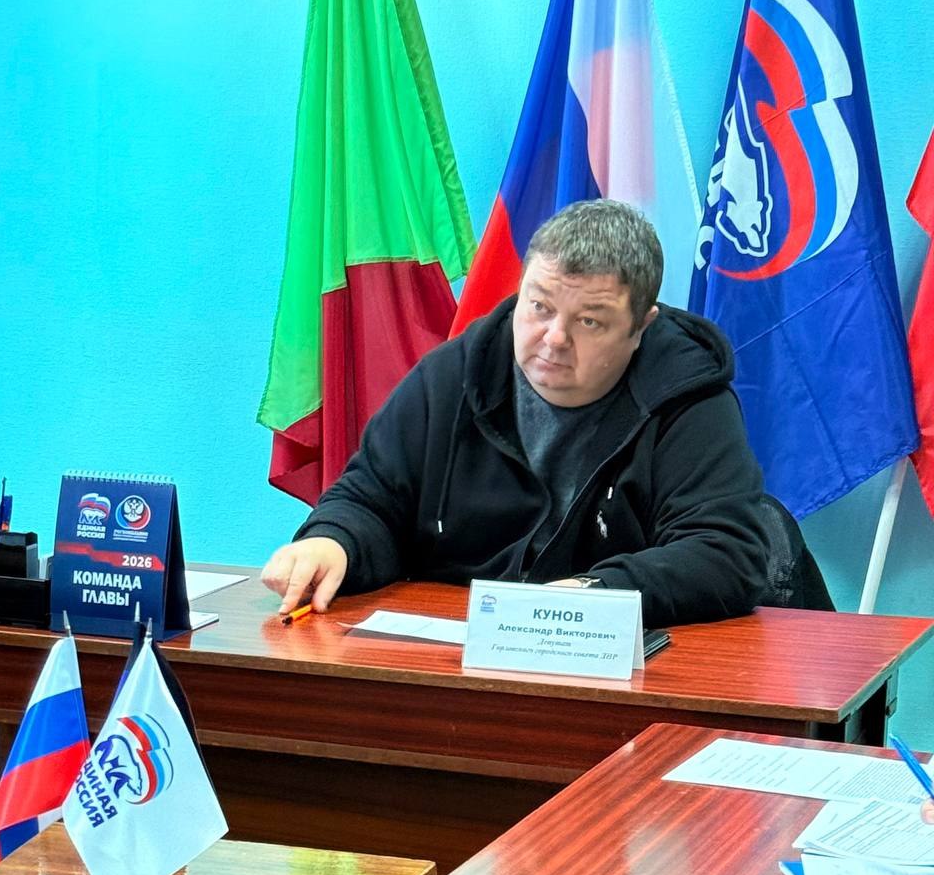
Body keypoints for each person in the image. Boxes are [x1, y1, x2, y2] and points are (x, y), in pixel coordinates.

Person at [261, 199, 769, 630]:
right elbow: (371, 499)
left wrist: (590, 594)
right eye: (540, 307)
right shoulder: (456, 374)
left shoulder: (686, 397)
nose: (555, 339)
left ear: (641, 327)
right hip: (461, 658)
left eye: (590, 322)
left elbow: (724, 552)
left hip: (622, 668)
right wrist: (334, 541)